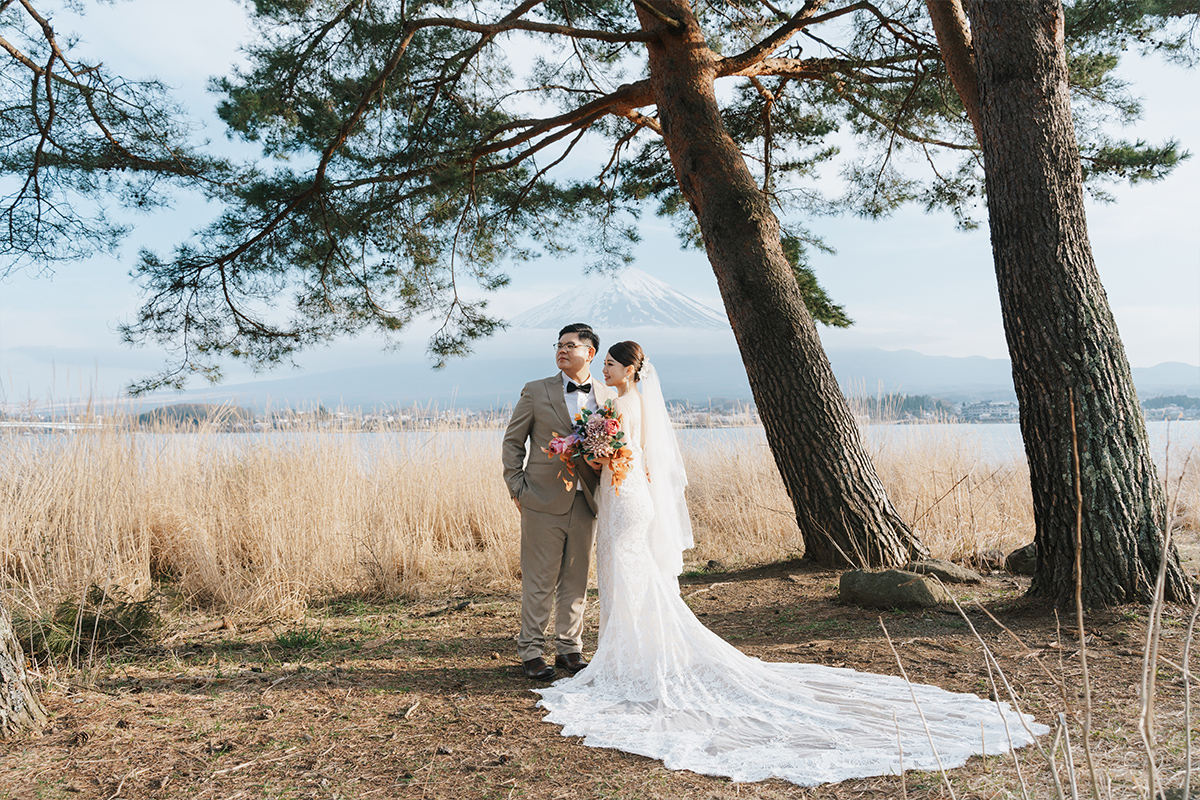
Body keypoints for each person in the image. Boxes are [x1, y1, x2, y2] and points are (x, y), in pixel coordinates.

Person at [534, 341, 1049, 786]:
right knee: (631, 576)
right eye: (603, 367)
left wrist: (582, 451)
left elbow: (612, 456)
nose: (604, 371)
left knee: (629, 575)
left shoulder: (623, 404)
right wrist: (586, 446)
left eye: (611, 366)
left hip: (624, 496)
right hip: (630, 494)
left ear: (629, 369)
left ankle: (630, 658)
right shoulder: (632, 400)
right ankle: (632, 652)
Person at [502, 323, 616, 681]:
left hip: (588, 500)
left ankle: (570, 649)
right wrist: (516, 486)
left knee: (576, 578)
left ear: (590, 353)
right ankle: (531, 652)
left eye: (570, 345)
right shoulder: (536, 391)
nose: (562, 350)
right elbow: (512, 441)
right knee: (539, 579)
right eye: (559, 345)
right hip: (540, 498)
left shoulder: (607, 395)